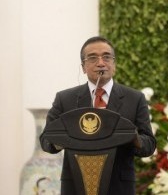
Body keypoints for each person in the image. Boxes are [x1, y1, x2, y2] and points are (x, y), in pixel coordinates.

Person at [40, 36, 156, 195]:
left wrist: (131, 137)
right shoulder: (65, 99)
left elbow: (149, 145)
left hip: (119, 188)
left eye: (107, 57)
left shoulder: (135, 99)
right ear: (83, 66)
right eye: (93, 58)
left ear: (114, 65)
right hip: (75, 186)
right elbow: (46, 140)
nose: (101, 63)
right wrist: (66, 138)